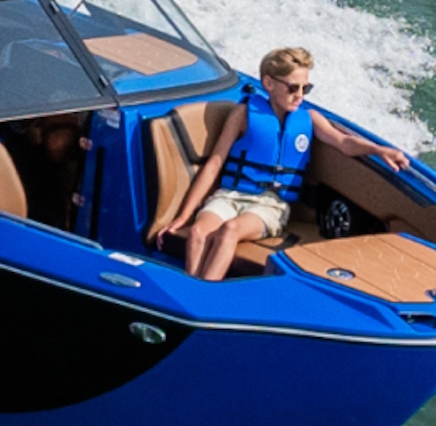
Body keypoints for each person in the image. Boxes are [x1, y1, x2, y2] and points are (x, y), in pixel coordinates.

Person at [157, 46, 410, 282]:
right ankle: (191, 290)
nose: (299, 95)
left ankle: (204, 295)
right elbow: (215, 163)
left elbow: (344, 142)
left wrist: (380, 150)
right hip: (229, 195)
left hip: (270, 204)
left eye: (305, 88)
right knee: (198, 232)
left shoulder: (309, 119)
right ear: (268, 83)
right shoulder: (243, 114)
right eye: (293, 88)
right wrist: (183, 216)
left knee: (230, 230)